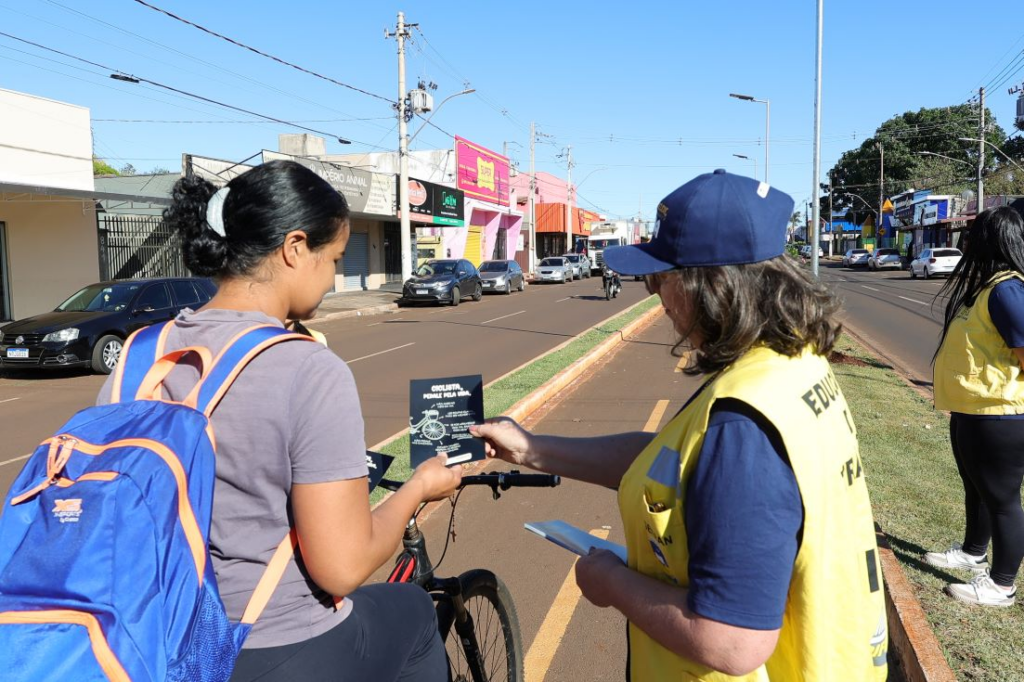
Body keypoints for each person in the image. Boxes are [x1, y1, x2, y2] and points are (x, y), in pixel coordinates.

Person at [472, 170, 888, 681]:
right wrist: (532, 449)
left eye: (659, 278)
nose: (656, 297)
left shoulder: (744, 424)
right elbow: (677, 461)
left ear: (709, 287)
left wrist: (613, 583)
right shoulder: (792, 364)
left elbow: (732, 643)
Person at [96, 160, 462, 681]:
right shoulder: (308, 368)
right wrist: (419, 489)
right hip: (271, 641)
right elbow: (342, 566)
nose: (335, 278)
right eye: (334, 259)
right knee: (416, 612)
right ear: (294, 249)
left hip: (148, 638)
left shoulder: (140, 355)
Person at [928, 206, 1024, 607]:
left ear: (991, 240)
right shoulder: (986, 286)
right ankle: (972, 551)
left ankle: (1002, 585)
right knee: (978, 489)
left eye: (972, 236)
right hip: (971, 409)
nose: (964, 243)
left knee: (1002, 499)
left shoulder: (1007, 290)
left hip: (999, 413)